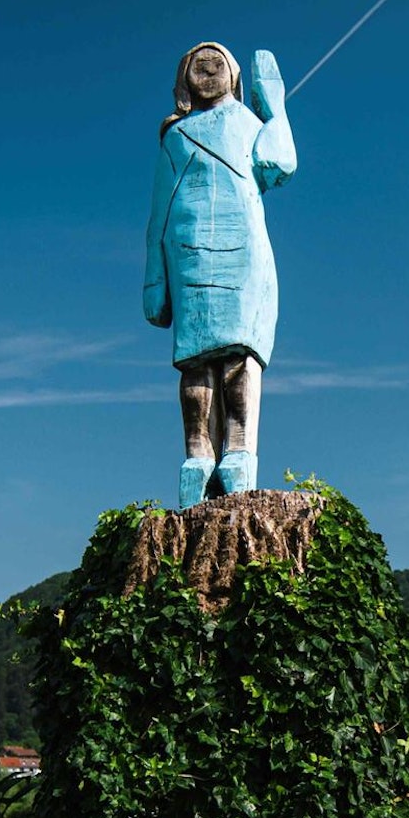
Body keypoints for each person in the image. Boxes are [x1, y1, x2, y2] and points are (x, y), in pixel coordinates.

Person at [142, 41, 297, 508]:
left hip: (241, 248)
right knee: (194, 362)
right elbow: (159, 212)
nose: (207, 69)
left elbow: (280, 163)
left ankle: (239, 451)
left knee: (238, 355)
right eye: (198, 64)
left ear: (231, 74)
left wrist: (273, 105)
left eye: (216, 63)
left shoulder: (247, 123)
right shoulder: (175, 137)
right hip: (186, 254)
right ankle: (197, 453)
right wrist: (155, 278)